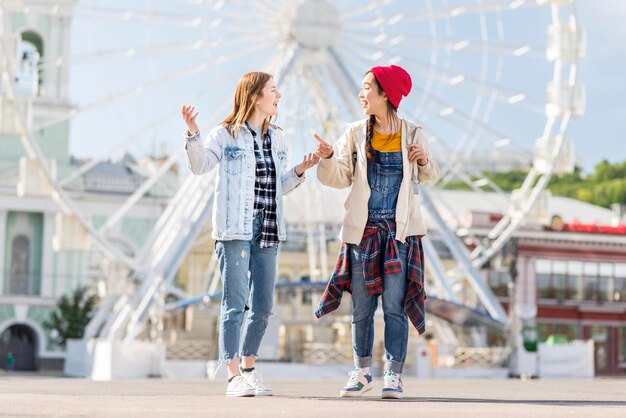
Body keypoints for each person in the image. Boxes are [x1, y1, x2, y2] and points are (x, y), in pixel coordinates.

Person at [183, 71, 319, 397]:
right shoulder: (226, 134)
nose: (279, 95)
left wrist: (300, 170)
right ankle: (232, 377)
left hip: (269, 227)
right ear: (256, 96)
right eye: (273, 90)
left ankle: (248, 368)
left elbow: (277, 188)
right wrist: (192, 133)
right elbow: (200, 165)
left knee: (263, 307)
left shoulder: (279, 138)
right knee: (234, 305)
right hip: (235, 229)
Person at [313, 65, 439, 399]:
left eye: (367, 87)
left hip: (399, 233)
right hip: (363, 231)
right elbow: (338, 177)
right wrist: (327, 157)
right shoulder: (354, 133)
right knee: (362, 308)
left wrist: (423, 160)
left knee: (395, 306)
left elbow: (430, 175)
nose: (361, 93)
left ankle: (393, 374)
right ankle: (362, 371)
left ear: (386, 94)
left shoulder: (413, 133)